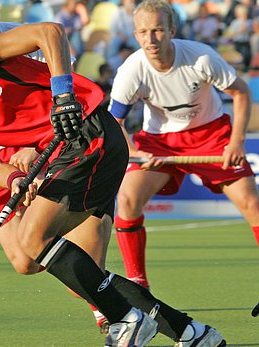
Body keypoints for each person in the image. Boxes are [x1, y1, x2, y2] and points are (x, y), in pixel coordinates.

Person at [0, 21, 227, 346]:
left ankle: (127, 320)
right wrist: (14, 179)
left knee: (33, 242)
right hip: (62, 156)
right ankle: (191, 332)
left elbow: (50, 33)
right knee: (54, 259)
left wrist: (63, 94)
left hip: (89, 132)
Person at [0, 0, 110, 333]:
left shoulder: (29, 42)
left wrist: (32, 147)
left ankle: (105, 300)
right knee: (25, 262)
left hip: (46, 145)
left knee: (74, 277)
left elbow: (59, 97)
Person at [109, 0, 259, 311]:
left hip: (212, 135)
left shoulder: (200, 57)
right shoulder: (131, 70)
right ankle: (139, 288)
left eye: (158, 31)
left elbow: (241, 92)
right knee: (126, 200)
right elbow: (114, 124)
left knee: (252, 204)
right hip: (159, 142)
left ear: (172, 31)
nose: (151, 40)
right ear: (135, 34)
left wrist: (236, 141)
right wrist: (136, 152)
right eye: (143, 32)